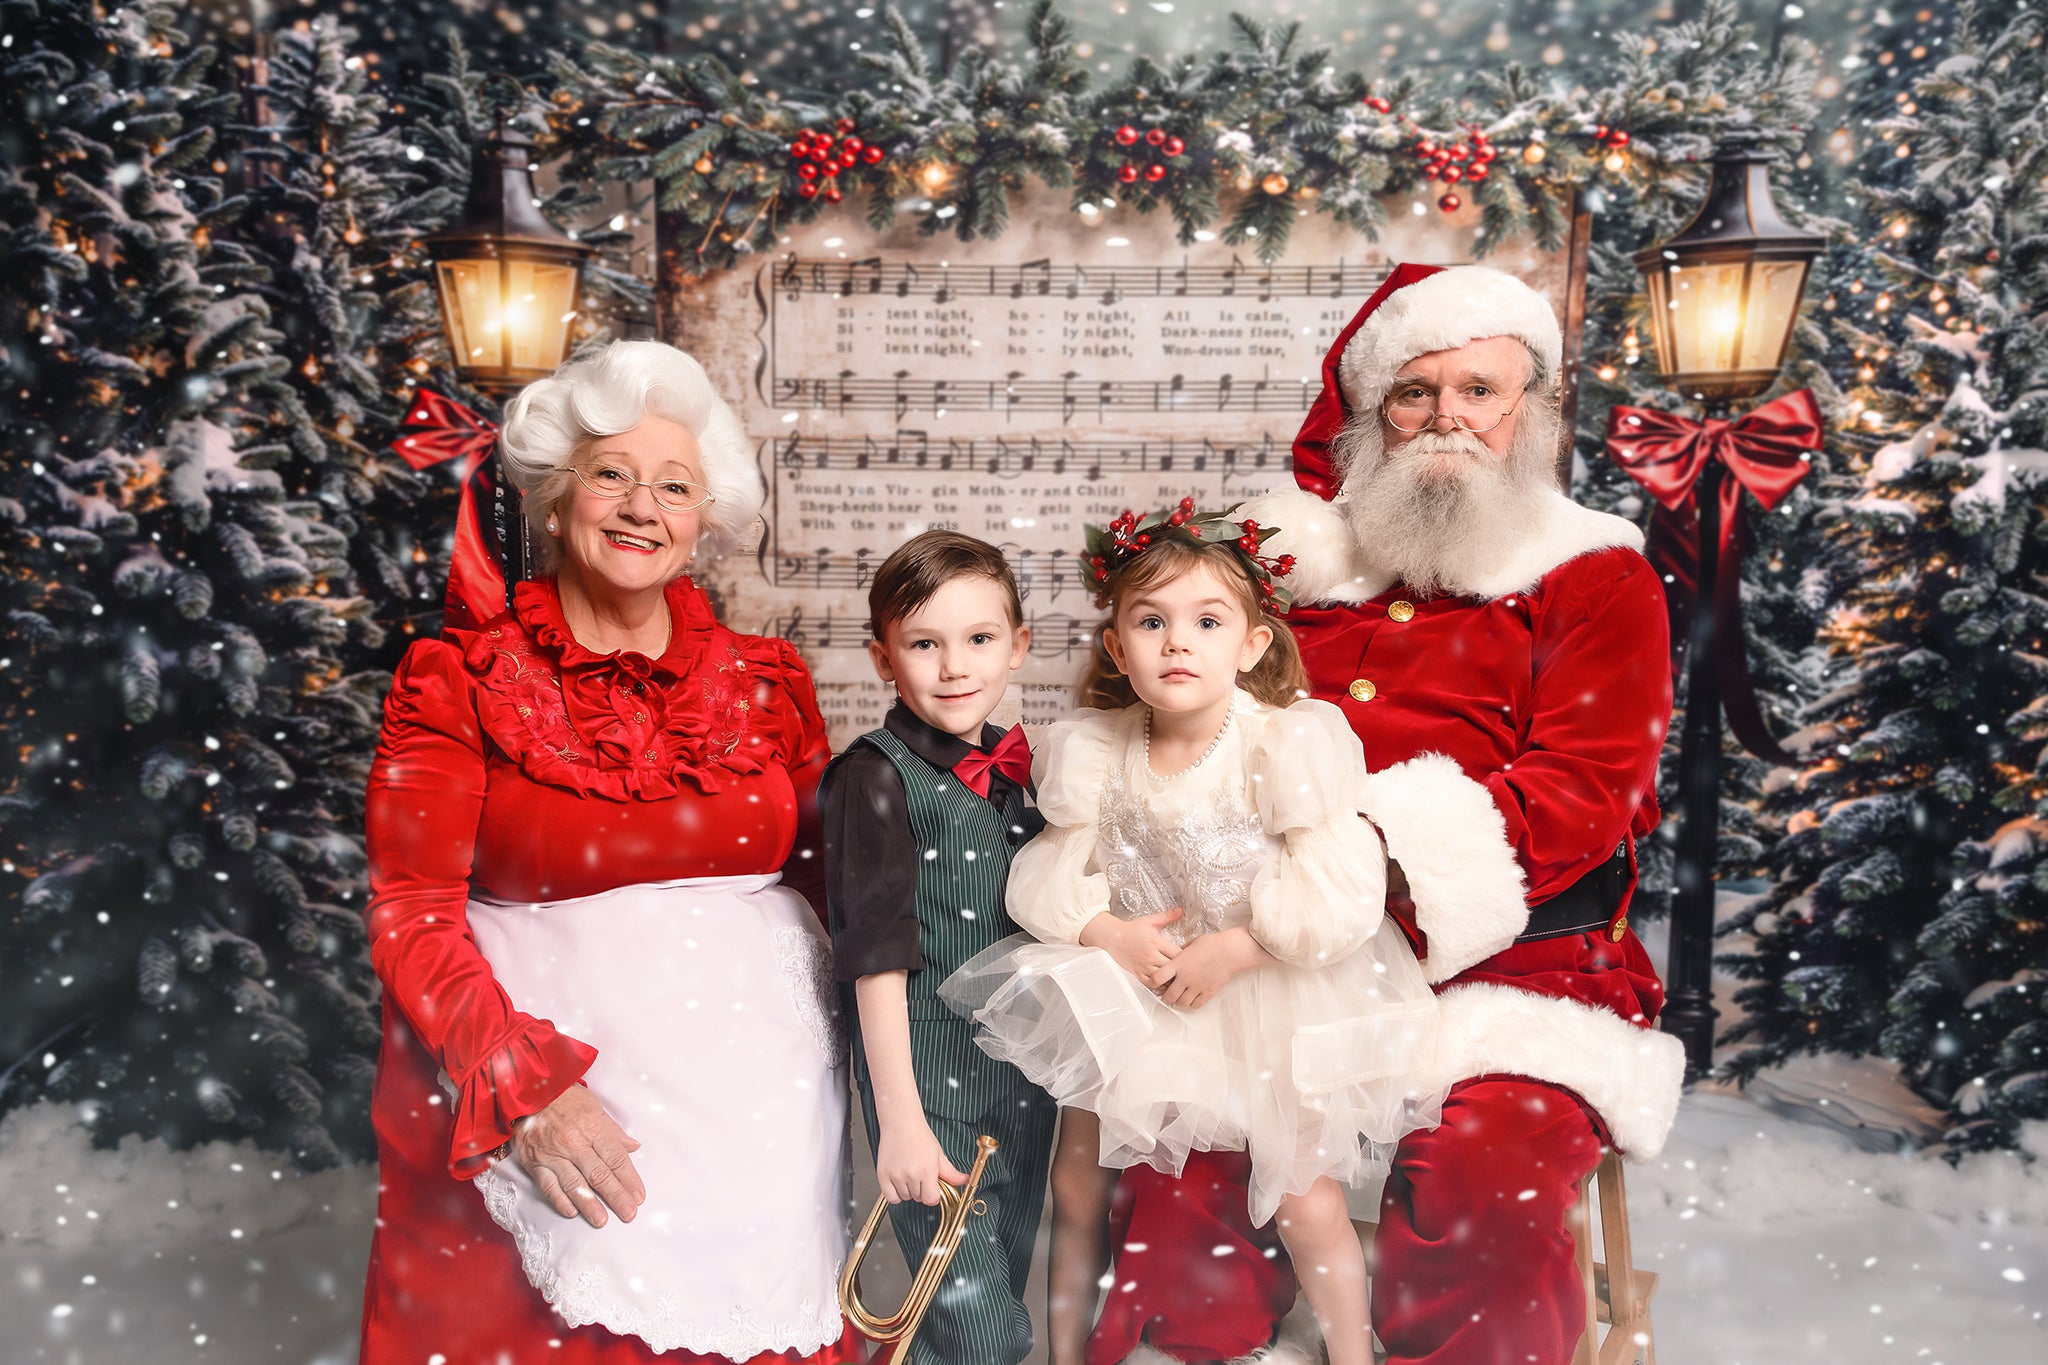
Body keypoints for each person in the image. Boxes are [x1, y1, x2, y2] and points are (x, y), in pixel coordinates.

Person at [1092, 264, 1686, 1365]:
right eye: (1414, 393)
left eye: (1478, 390)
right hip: (1273, 948)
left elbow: (1581, 798)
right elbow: (1176, 714)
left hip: (1512, 969)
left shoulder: (1595, 578)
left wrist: (1347, 877)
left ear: (1532, 411)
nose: (1444, 419)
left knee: (1476, 1176)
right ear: (1371, 414)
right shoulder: (1292, 577)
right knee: (1184, 1145)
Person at [358, 340, 866, 1365]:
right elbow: (411, 908)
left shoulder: (768, 684)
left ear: (700, 522)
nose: (642, 505)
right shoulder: (456, 679)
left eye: (674, 486)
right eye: (611, 475)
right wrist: (522, 1084)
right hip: (557, 1115)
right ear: (554, 501)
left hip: (756, 1141)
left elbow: (846, 892)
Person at [942, 501, 1444, 1365]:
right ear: (1116, 647)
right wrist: (1105, 931)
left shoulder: (1280, 742)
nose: (1178, 643)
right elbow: (1047, 878)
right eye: (1151, 621)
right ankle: (1068, 1351)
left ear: (1250, 645)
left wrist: (1242, 947)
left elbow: (1346, 886)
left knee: (1302, 1190)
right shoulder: (1098, 748)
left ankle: (1353, 1353)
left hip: (1264, 992)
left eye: (1207, 622)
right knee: (1077, 1175)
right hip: (1141, 994)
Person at [819, 530, 1060, 1365]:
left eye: (979, 639)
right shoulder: (871, 777)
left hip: (1019, 1076)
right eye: (925, 643)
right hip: (928, 1082)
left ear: (1019, 646)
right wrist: (902, 1120)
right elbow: (873, 958)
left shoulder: (1018, 774)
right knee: (984, 1330)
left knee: (965, 1313)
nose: (955, 666)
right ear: (884, 658)